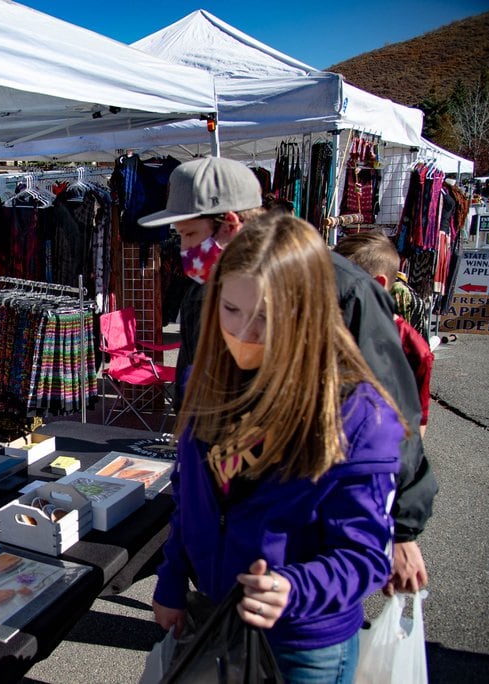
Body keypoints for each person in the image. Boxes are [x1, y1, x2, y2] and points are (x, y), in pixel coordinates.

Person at [139, 156, 436, 596]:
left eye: (189, 235)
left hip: (302, 550)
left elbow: (393, 408)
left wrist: (403, 525)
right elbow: (198, 410)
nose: (183, 252)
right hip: (227, 544)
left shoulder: (341, 287)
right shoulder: (206, 294)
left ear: (229, 225)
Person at [151, 213, 406, 682]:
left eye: (266, 317)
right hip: (215, 612)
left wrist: (294, 587)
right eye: (230, 310)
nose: (243, 334)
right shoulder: (206, 378)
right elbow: (190, 492)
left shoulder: (354, 412)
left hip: (303, 641)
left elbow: (367, 553)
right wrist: (171, 580)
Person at [334, 231, 434, 437]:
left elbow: (417, 422)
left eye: (340, 283)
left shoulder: (412, 347)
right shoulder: (329, 326)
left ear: (377, 284)